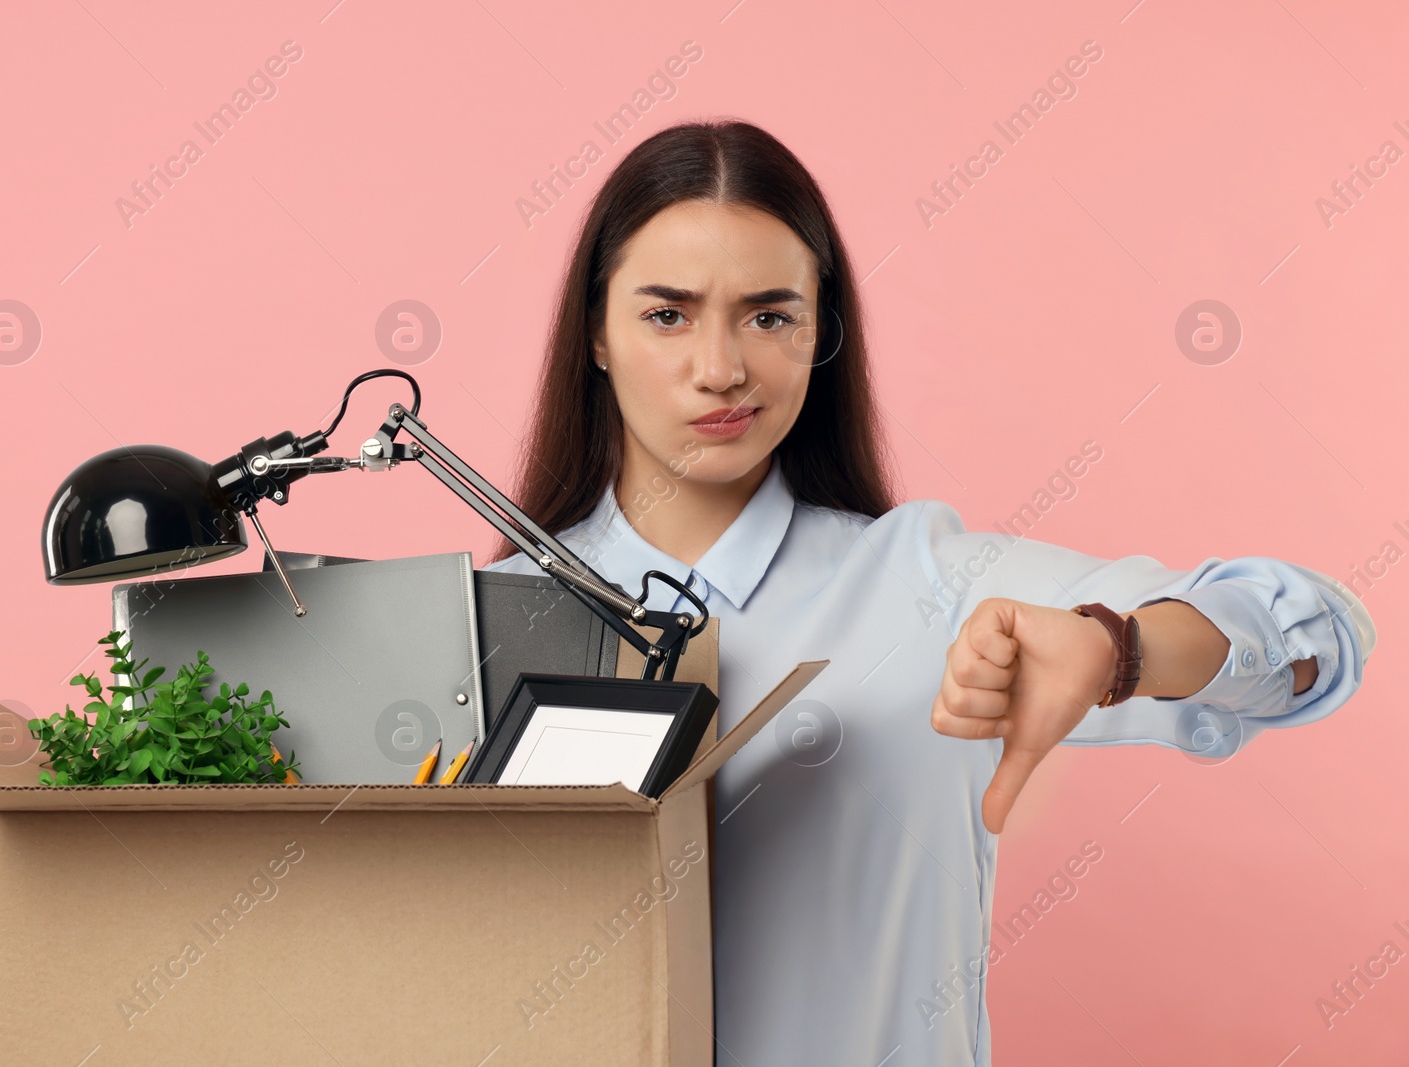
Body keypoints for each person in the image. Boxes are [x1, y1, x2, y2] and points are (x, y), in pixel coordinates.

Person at [480, 118, 1375, 1066]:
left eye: (770, 315)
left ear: (822, 331)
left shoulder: (934, 587)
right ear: (597, 334)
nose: (721, 368)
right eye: (668, 314)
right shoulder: (481, 631)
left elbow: (1314, 644)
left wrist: (1121, 650)